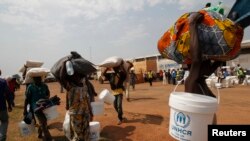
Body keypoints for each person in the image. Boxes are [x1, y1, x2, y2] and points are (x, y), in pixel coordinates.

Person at [23, 76, 52, 141]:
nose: (37, 80)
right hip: (35, 107)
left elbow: (48, 93)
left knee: (44, 121)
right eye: (36, 78)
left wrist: (47, 97)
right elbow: (27, 99)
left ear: (41, 78)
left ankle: (39, 133)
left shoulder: (44, 85)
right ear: (33, 79)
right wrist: (25, 110)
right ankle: (48, 138)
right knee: (43, 122)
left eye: (39, 78)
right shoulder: (30, 87)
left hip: (44, 105)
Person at [0, 69, 12, 141]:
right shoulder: (3, 82)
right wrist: (10, 105)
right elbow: (8, 94)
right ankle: (2, 137)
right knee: (4, 121)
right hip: (2, 107)